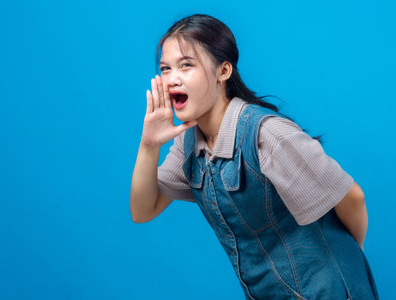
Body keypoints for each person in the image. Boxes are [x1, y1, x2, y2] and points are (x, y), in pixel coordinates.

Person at [130, 13, 379, 300]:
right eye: (165, 68)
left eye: (186, 65)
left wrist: (349, 258)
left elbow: (353, 197)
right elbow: (142, 210)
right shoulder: (190, 142)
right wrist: (149, 144)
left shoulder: (267, 135)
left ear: (223, 71)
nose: (173, 79)